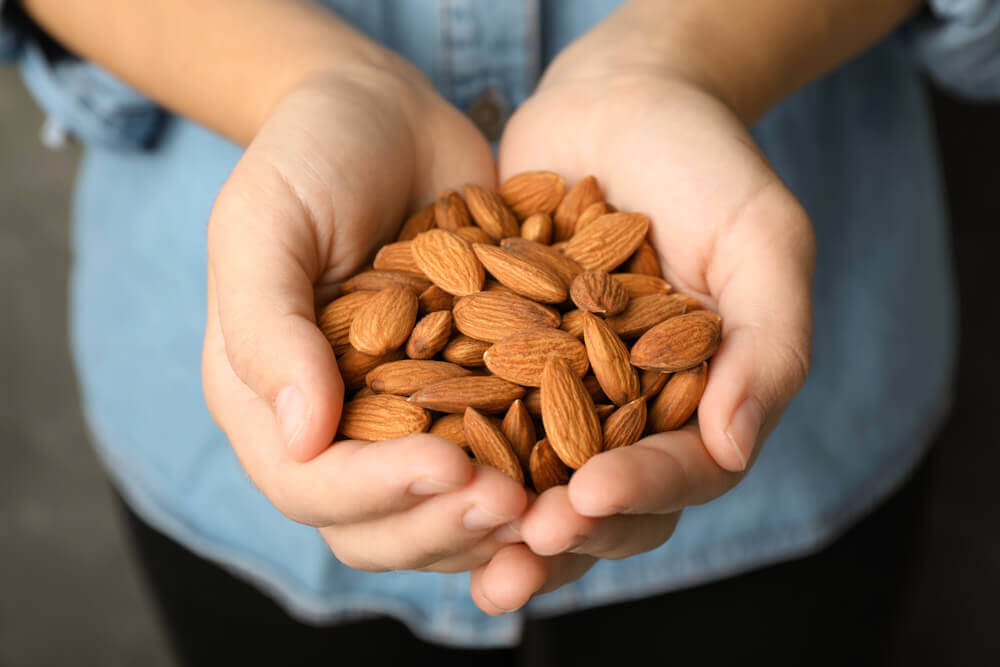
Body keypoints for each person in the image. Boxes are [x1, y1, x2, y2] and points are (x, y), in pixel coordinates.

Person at [2, 0, 996, 664]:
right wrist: (305, 80)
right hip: (225, 477)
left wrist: (684, 59)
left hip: (800, 476)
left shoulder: (599, 314)